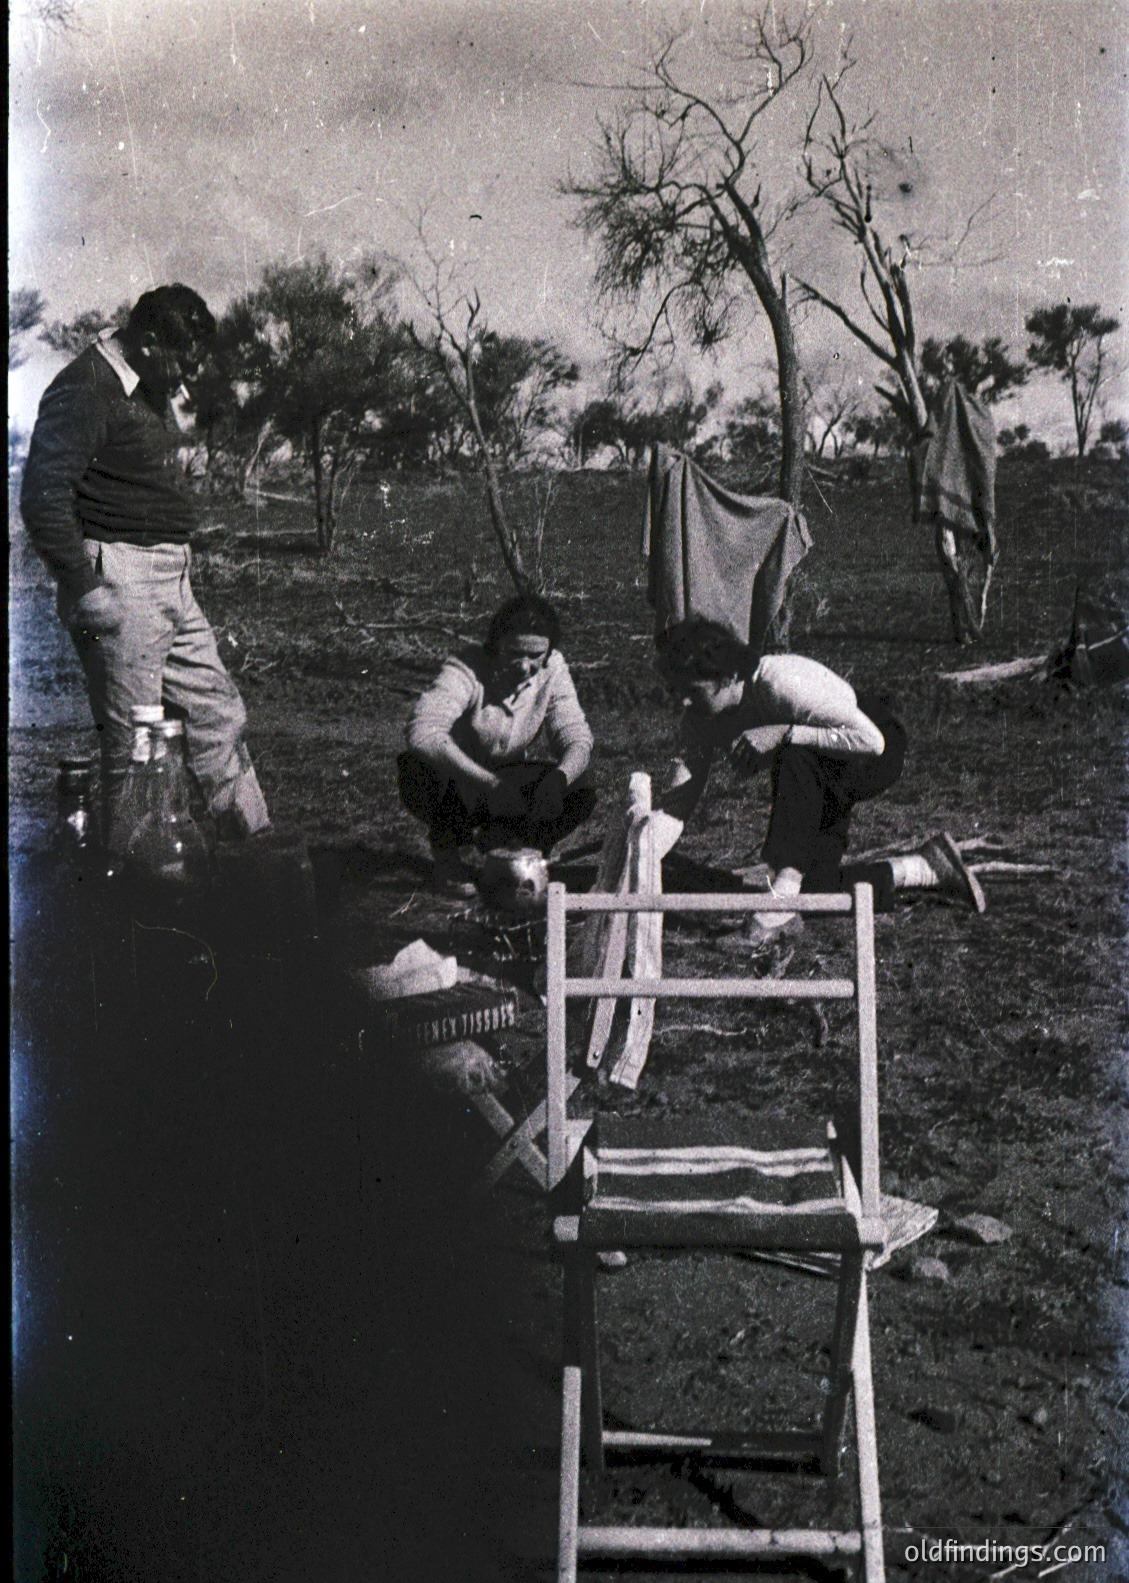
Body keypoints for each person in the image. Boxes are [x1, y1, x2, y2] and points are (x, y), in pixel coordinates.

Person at [20, 284, 270, 847]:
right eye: (182, 358)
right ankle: (137, 897)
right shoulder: (86, 386)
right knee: (138, 746)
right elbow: (42, 493)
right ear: (150, 342)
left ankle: (260, 853)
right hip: (119, 578)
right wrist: (85, 588)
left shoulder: (144, 385)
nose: (185, 376)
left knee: (217, 713)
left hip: (170, 579)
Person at [655, 617, 985, 946]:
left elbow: (872, 741)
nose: (683, 702)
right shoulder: (697, 720)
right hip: (817, 768)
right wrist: (641, 857)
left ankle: (781, 901)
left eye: (692, 691)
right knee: (815, 891)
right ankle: (925, 868)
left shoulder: (780, 682)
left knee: (793, 756)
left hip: (867, 746)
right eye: (677, 690)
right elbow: (676, 805)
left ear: (728, 677)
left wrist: (784, 732)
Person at [399, 593, 597, 890]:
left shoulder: (553, 669)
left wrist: (559, 778)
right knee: (420, 769)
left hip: (507, 779)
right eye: (514, 653)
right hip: (460, 779)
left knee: (580, 785)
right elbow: (422, 732)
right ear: (495, 646)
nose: (524, 666)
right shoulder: (465, 667)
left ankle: (523, 855)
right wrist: (488, 784)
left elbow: (576, 737)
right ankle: (448, 857)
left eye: (535, 656)